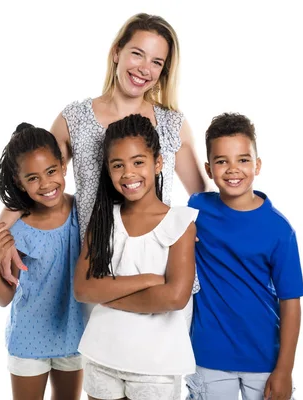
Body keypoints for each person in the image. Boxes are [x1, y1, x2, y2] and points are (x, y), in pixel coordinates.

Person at [0, 12, 206, 284]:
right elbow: (37, 175)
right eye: (137, 54)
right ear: (117, 51)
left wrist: (191, 233)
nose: (144, 69)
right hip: (97, 268)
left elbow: (202, 198)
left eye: (156, 62)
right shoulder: (75, 119)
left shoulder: (171, 124)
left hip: (156, 264)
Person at [74, 114, 198, 400]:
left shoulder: (179, 222)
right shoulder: (104, 220)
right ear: (108, 170)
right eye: (118, 165)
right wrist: (149, 280)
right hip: (102, 354)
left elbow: (174, 297)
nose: (128, 173)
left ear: (157, 163)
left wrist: (106, 294)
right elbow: (83, 289)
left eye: (138, 162)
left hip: (156, 364)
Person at [185, 113, 303, 400]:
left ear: (257, 165)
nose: (232, 169)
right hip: (207, 353)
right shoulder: (196, 209)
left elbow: (291, 302)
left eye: (243, 159)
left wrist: (285, 370)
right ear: (209, 168)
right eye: (222, 161)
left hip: (264, 357)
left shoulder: (279, 229)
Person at [0, 123, 85, 400]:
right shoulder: (18, 230)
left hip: (74, 334)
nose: (46, 183)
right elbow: (4, 297)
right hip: (28, 338)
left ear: (63, 166)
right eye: (33, 178)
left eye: (51, 171)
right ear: (20, 183)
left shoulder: (82, 212)